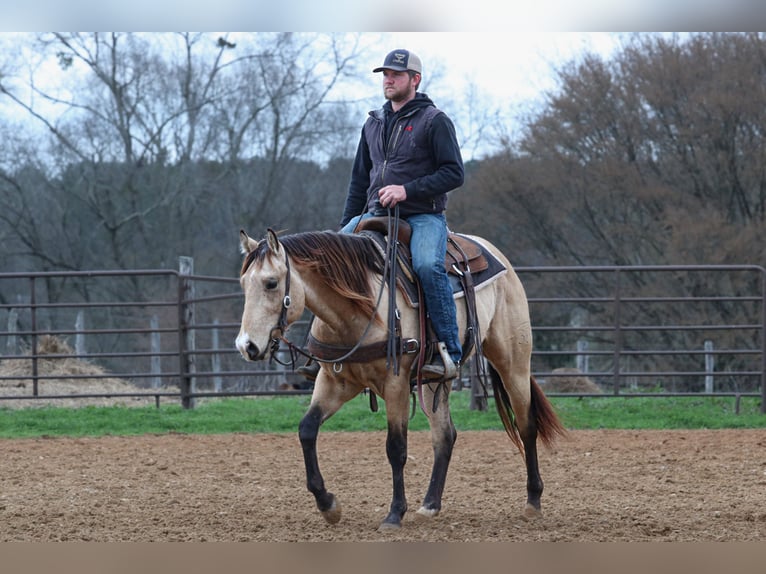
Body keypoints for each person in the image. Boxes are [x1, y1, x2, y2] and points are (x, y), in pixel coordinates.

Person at [300, 48, 465, 381]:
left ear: (414, 80)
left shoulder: (434, 121)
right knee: (322, 261)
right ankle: (318, 348)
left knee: (426, 266)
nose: (389, 80)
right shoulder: (373, 122)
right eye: (385, 75)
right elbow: (359, 181)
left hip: (423, 216)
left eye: (396, 75)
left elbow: (454, 173)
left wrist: (408, 190)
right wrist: (342, 230)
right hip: (374, 212)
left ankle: (448, 352)